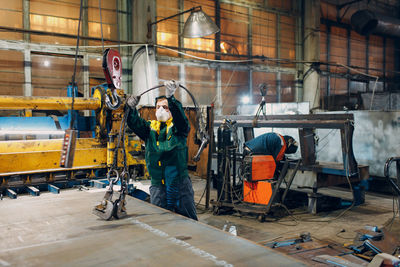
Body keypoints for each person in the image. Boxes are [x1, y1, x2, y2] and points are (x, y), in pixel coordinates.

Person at [125, 80, 198, 220]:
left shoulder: (178, 129)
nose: (161, 110)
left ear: (171, 109)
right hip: (158, 185)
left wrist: (171, 98)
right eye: (158, 107)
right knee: (160, 221)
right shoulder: (149, 129)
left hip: (180, 184)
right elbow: (134, 122)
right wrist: (130, 108)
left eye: (165, 107)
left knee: (189, 221)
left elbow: (181, 120)